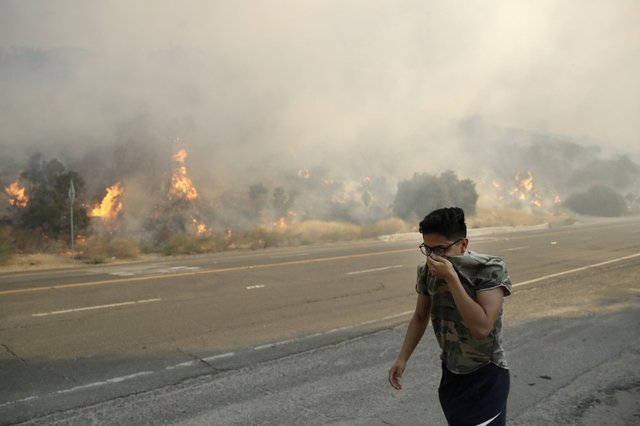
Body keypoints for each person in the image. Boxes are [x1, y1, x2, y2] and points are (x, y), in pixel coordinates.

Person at [388, 207, 512, 426]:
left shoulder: (489, 269)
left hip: (485, 377)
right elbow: (419, 316)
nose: (434, 256)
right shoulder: (426, 271)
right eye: (427, 249)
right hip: (451, 375)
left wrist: (452, 279)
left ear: (463, 244)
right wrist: (402, 359)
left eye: (441, 249)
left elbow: (482, 328)